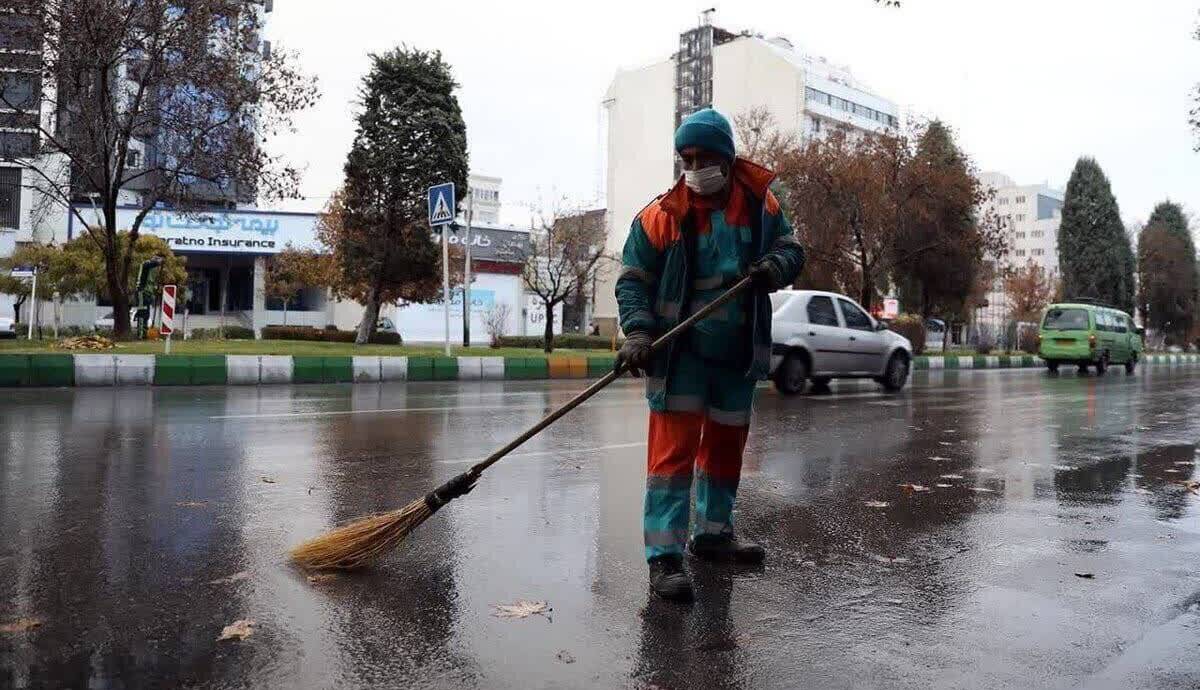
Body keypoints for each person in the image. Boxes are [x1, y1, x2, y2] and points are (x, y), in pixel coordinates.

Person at [614, 107, 805, 601]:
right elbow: (633, 279)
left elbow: (792, 249)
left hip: (737, 355)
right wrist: (637, 333)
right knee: (671, 461)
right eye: (686, 158)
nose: (694, 167)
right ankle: (664, 559)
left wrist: (774, 268)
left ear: (726, 157)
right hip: (681, 355)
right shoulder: (661, 216)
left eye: (703, 157)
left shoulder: (762, 207)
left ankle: (713, 536)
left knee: (724, 454)